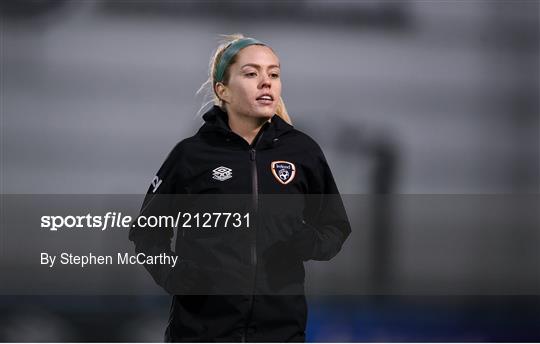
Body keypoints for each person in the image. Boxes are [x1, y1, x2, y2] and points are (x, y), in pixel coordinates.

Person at [129, 33, 351, 342]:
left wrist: (309, 242)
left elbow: (335, 226)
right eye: (251, 73)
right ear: (224, 90)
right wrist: (174, 273)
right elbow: (146, 232)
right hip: (201, 333)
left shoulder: (303, 152)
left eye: (273, 74)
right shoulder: (191, 155)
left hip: (280, 333)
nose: (266, 82)